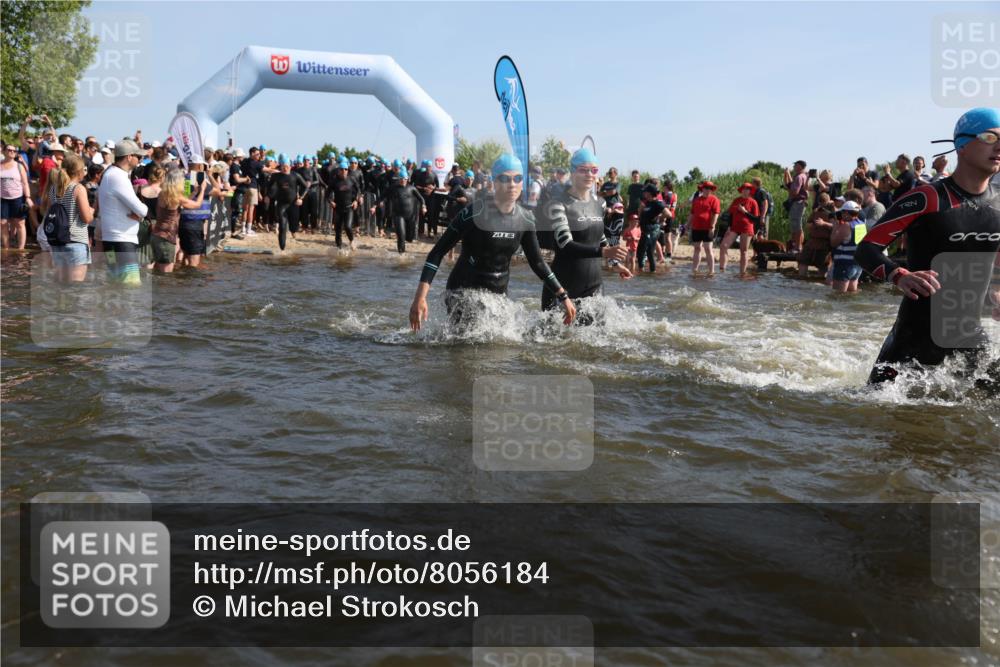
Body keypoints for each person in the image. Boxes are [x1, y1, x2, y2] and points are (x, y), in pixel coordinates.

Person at [856, 108, 1000, 386]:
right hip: (913, 337)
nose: (999, 145)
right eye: (989, 137)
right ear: (962, 145)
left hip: (969, 335)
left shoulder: (998, 203)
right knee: (878, 413)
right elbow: (867, 249)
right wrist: (900, 275)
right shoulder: (928, 197)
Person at [408, 154, 576, 330]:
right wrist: (420, 297)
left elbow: (538, 263)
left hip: (498, 296)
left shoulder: (526, 219)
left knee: (498, 353)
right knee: (466, 350)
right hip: (464, 292)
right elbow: (437, 252)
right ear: (495, 182)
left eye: (517, 178)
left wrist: (563, 297)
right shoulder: (474, 213)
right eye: (505, 178)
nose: (512, 184)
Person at [537, 148, 629, 316]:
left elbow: (599, 236)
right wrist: (605, 252)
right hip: (562, 288)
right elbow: (565, 245)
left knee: (596, 340)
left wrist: (614, 263)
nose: (589, 174)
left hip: (594, 287)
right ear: (573, 173)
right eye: (583, 170)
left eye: (594, 170)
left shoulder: (599, 203)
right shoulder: (558, 204)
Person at [96, 139, 148, 284]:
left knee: (114, 284)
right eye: (138, 156)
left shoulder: (109, 173)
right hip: (123, 242)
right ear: (129, 157)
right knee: (131, 287)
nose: (140, 160)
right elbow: (142, 210)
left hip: (110, 241)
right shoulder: (118, 177)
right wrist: (141, 214)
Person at [41, 154, 94, 282]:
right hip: (75, 241)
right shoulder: (78, 188)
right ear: (79, 171)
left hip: (58, 242)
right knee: (76, 287)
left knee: (61, 284)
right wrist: (91, 211)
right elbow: (86, 218)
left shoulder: (54, 189)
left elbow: (48, 212)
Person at [152, 168, 206, 273]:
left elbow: (182, 203)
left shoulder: (162, 194)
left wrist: (194, 192)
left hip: (156, 235)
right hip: (167, 238)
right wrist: (202, 189)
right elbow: (197, 205)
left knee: (157, 271)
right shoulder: (176, 197)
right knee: (166, 275)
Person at [179, 154, 221, 267]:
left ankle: (183, 280)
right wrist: (210, 175)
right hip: (195, 222)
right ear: (199, 166)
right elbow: (218, 191)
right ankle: (192, 282)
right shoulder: (197, 179)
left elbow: (189, 194)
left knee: (185, 255)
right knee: (194, 258)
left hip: (184, 221)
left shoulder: (184, 178)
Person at [719, 183, 760, 274]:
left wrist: (745, 212)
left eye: (748, 189)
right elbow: (730, 215)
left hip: (747, 228)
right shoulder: (736, 200)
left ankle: (742, 273)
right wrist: (729, 227)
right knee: (723, 246)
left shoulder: (753, 202)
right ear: (741, 190)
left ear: (750, 191)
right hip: (734, 227)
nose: (745, 191)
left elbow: (756, 219)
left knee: (743, 251)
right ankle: (722, 270)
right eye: (744, 189)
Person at [268, 154, 307, 247]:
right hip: (281, 204)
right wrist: (267, 196)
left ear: (290, 166)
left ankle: (293, 231)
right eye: (283, 166)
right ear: (280, 166)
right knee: (282, 227)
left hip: (293, 204)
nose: (285, 168)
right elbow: (268, 186)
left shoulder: (295, 175)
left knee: (294, 227)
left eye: (287, 166)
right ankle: (282, 249)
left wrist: (301, 198)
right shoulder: (276, 176)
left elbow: (305, 187)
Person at [827, 201, 866, 293]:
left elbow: (833, 243)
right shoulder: (861, 224)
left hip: (844, 264)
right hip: (857, 264)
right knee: (852, 293)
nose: (841, 215)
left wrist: (835, 227)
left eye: (842, 213)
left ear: (846, 213)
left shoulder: (846, 226)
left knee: (838, 296)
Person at [1, 142, 33, 249]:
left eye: (14, 151)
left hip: (18, 197)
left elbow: (25, 182)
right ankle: (6, 247)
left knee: (20, 223)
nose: (12, 152)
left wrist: (28, 197)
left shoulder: (19, 166)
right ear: (4, 151)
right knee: (3, 223)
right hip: (2, 198)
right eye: (9, 150)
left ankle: (21, 248)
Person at [386, 168, 425, 253]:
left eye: (404, 179)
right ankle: (401, 255)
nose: (403, 180)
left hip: (410, 216)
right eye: (401, 178)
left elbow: (421, 198)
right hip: (398, 215)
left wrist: (424, 206)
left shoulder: (412, 188)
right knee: (401, 236)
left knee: (409, 238)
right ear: (398, 179)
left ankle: (406, 242)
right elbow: (382, 196)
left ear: (407, 179)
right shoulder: (393, 188)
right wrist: (374, 206)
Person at [688, 180, 721, 274]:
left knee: (708, 248)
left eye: (709, 188)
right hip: (696, 227)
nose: (707, 190)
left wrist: (712, 227)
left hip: (708, 228)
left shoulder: (714, 200)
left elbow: (716, 214)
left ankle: (712, 271)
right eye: (706, 188)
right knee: (697, 248)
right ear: (702, 189)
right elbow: (692, 214)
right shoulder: (697, 200)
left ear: (712, 190)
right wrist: (687, 225)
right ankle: (694, 270)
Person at [328, 157, 359, 249]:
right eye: (342, 169)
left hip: (349, 207)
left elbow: (359, 190)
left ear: (347, 170)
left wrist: (356, 200)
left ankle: (352, 241)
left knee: (348, 227)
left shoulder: (352, 179)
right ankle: (339, 249)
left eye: (345, 169)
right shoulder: (334, 181)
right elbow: (327, 194)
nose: (344, 171)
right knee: (337, 231)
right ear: (339, 170)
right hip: (338, 208)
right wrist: (331, 202)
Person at [797, 204, 834, 278]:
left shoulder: (833, 214)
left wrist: (824, 224)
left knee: (823, 265)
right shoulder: (815, 212)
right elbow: (808, 224)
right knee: (803, 261)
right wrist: (812, 225)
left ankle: (820, 279)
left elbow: (836, 226)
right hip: (812, 242)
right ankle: (802, 280)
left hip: (825, 243)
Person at [635, 184, 665, 273]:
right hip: (645, 230)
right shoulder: (646, 202)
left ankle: (653, 272)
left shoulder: (658, 203)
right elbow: (641, 214)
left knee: (649, 252)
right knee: (640, 251)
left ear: (650, 193)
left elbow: (668, 214)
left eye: (645, 192)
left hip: (653, 230)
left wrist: (659, 217)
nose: (644, 193)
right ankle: (641, 271)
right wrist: (640, 210)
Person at [783, 160, 809, 252]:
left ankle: (797, 247)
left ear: (800, 166)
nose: (794, 167)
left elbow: (794, 192)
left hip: (798, 203)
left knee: (797, 225)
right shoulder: (803, 176)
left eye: (795, 165)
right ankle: (797, 246)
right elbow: (789, 184)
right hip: (800, 203)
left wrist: (789, 191)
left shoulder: (799, 177)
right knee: (797, 224)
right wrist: (787, 174)